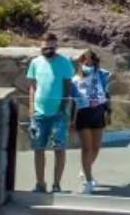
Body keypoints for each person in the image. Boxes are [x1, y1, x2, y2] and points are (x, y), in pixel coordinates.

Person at [24, 32, 77, 194]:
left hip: (58, 113)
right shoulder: (35, 63)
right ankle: (40, 184)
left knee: (59, 148)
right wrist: (32, 111)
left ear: (56, 46)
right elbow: (32, 87)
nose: (48, 49)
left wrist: (63, 107)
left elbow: (68, 86)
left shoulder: (65, 62)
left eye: (52, 46)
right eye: (46, 46)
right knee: (39, 148)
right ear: (41, 46)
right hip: (39, 113)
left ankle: (56, 185)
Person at [71, 49, 112, 195]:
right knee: (86, 148)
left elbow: (107, 91)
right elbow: (73, 103)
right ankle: (88, 181)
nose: (87, 63)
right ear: (80, 63)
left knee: (96, 148)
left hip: (98, 112)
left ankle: (84, 170)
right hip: (84, 113)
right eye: (84, 60)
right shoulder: (75, 79)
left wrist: (108, 111)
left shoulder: (101, 74)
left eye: (90, 60)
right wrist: (72, 121)